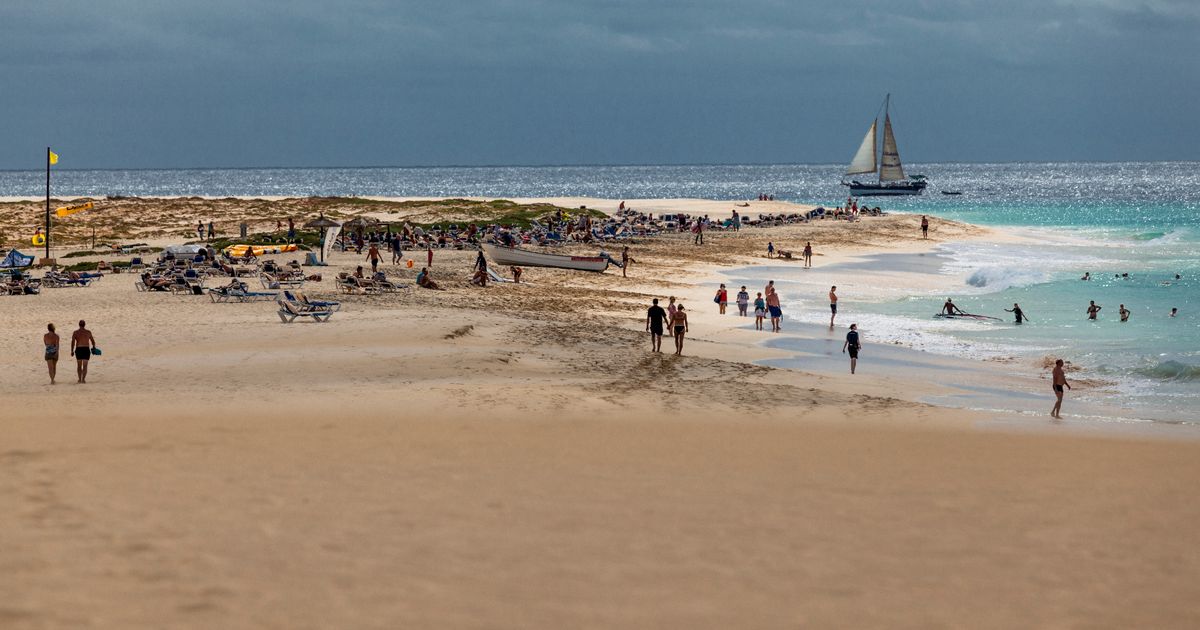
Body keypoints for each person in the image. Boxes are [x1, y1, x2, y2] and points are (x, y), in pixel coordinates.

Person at [70, 320, 96, 384]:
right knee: (85, 366)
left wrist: (72, 350)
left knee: (79, 366)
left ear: (79, 325)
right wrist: (93, 347)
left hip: (79, 349)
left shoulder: (75, 332)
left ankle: (79, 379)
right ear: (84, 325)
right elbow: (93, 341)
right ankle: (83, 379)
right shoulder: (88, 332)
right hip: (86, 349)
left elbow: (73, 342)